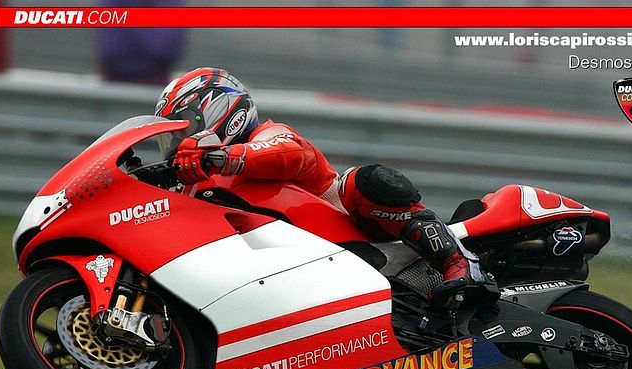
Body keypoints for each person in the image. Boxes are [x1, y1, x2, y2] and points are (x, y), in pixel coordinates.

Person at [155, 67, 486, 305]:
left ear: (221, 110)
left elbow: (288, 153)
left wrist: (221, 157)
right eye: (172, 136)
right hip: (292, 284)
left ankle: (457, 261)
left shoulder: (268, 136)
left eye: (184, 129)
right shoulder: (198, 186)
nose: (178, 144)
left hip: (363, 245)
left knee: (362, 181)